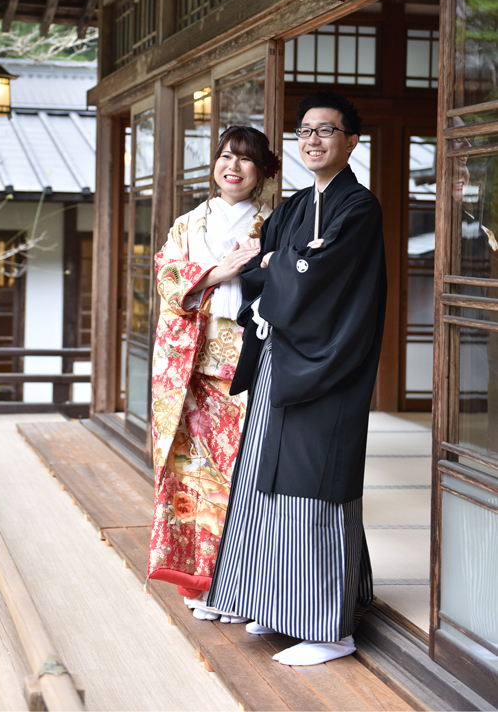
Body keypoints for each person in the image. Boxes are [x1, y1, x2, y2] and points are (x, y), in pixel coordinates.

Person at [207, 90, 387, 664]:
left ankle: (333, 630)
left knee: (317, 491)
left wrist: (284, 264)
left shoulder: (358, 208)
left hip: (327, 365)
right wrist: (285, 261)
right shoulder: (291, 208)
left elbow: (310, 274)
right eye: (305, 131)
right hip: (280, 362)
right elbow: (266, 262)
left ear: (351, 141)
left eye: (326, 131)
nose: (312, 140)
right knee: (268, 492)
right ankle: (278, 605)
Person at [147, 125, 279, 620]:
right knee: (192, 476)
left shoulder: (276, 222)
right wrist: (221, 273)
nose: (234, 166)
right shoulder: (189, 223)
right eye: (226, 156)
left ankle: (243, 587)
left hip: (247, 363)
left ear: (263, 170)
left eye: (246, 159)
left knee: (242, 475)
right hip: (191, 369)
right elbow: (167, 280)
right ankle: (199, 581)